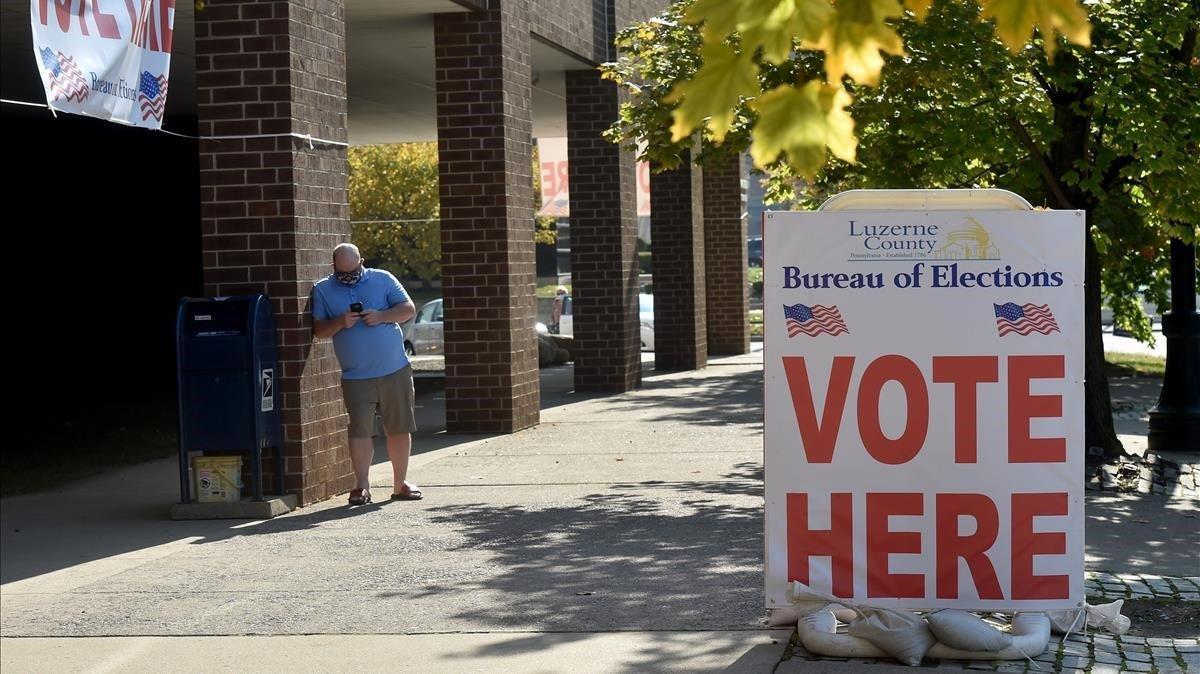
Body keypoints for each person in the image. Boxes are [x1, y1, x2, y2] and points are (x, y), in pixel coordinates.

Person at [311, 243, 422, 505]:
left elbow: (408, 309)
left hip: (394, 368)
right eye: (343, 275)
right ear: (333, 267)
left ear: (363, 261)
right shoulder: (323, 289)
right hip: (355, 376)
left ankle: (400, 483)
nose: (349, 279)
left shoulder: (383, 279)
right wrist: (340, 322)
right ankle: (361, 485)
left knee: (399, 426)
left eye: (354, 272)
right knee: (360, 430)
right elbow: (318, 330)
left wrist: (382, 315)